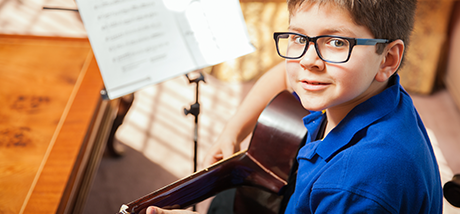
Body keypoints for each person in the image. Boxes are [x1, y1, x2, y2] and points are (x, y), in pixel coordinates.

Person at [147, 0, 443, 213]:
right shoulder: (365, 88)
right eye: (298, 37)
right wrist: (233, 131)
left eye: (337, 42)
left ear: (387, 59)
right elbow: (284, 74)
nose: (307, 60)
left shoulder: (354, 187)